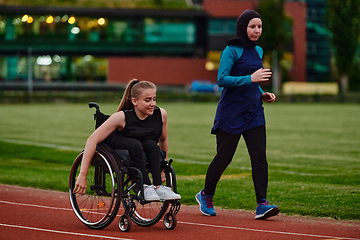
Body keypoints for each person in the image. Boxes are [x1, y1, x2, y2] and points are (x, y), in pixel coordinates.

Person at [195, 9, 279, 220]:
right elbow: (222, 80)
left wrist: (262, 94)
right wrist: (251, 79)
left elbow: (252, 83)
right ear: (243, 27)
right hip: (231, 114)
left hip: (254, 113)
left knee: (259, 158)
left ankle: (262, 203)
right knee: (224, 158)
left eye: (259, 27)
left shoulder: (258, 51)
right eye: (252, 26)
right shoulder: (231, 50)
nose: (256, 30)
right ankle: (206, 194)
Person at [73, 79, 181, 202]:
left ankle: (158, 187)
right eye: (147, 100)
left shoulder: (161, 114)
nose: (152, 103)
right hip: (117, 141)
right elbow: (91, 140)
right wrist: (83, 174)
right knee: (135, 145)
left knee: (152, 145)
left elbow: (163, 139)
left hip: (141, 142)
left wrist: (162, 167)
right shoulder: (121, 117)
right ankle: (144, 186)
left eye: (154, 99)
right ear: (134, 101)